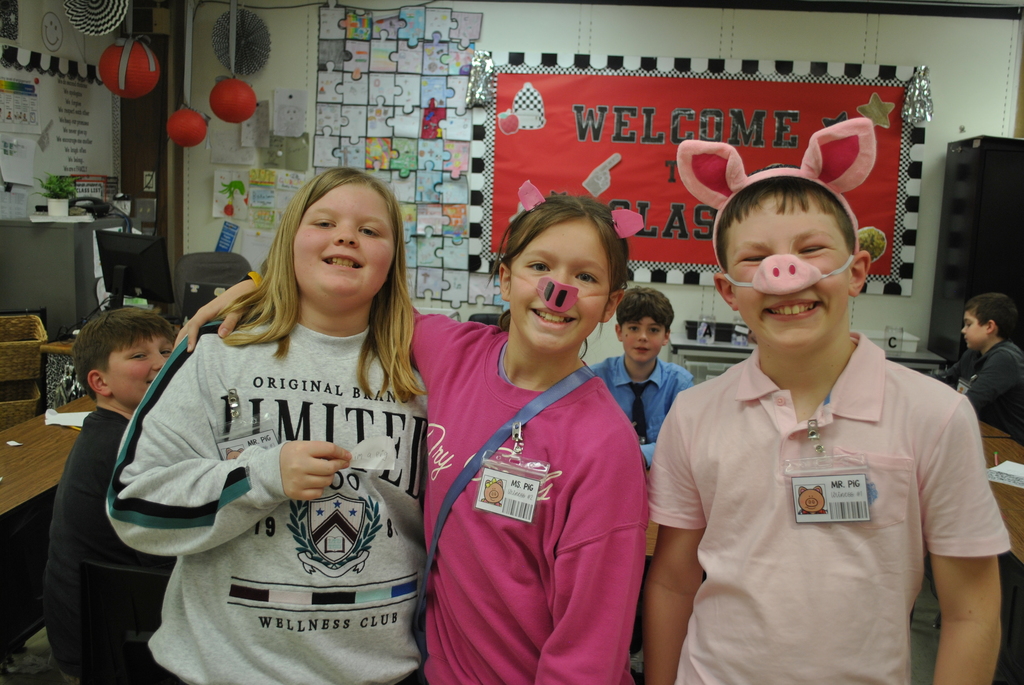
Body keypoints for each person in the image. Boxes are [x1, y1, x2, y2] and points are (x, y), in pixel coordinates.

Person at [180, 181, 650, 685]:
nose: (560, 289)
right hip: (433, 670)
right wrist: (257, 284)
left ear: (611, 304)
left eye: (585, 276)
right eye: (540, 267)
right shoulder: (452, 352)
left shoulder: (604, 446)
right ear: (505, 277)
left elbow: (592, 646)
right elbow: (353, 288)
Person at [644, 118, 1009, 685]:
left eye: (812, 250)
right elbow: (672, 581)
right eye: (754, 260)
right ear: (728, 292)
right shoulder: (692, 416)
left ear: (857, 271)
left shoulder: (934, 415)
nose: (786, 277)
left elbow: (971, 608)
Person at [107, 168, 429, 685]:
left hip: (384, 672)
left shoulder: (431, 368)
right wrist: (259, 478)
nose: (346, 236)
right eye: (324, 222)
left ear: (393, 261)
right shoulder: (215, 353)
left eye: (371, 231)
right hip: (224, 670)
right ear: (290, 241)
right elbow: (133, 504)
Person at [43, 307, 176, 684]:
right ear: (100, 383)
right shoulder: (125, 449)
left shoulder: (117, 430)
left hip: (102, 627)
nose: (161, 363)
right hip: (109, 649)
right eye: (139, 356)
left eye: (167, 351)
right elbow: (166, 550)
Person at [590, 286, 694, 468]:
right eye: (634, 328)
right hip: (608, 469)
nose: (643, 337)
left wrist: (637, 455)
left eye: (653, 330)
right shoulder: (595, 380)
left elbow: (684, 443)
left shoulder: (680, 384)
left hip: (662, 476)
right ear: (619, 332)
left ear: (666, 336)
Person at [934, 292, 1024, 443]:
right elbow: (946, 380)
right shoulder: (972, 354)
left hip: (1010, 446)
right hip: (983, 437)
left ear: (989, 326)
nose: (963, 330)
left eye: (969, 324)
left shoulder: (1005, 358)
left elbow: (970, 402)